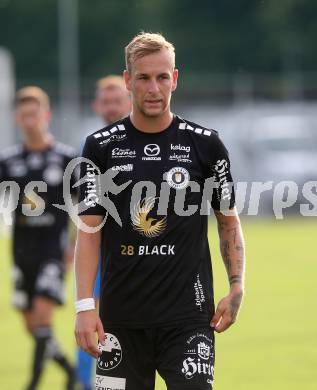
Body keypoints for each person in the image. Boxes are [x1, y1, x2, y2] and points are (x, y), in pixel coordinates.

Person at [75, 32, 245, 390]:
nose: (154, 88)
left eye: (162, 77)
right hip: (120, 322)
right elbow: (88, 232)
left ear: (175, 79)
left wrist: (236, 285)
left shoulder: (206, 145)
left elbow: (228, 221)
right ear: (127, 81)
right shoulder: (100, 147)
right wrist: (84, 306)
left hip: (188, 319)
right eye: (143, 77)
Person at [0, 86, 77, 390]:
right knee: (33, 327)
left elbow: (84, 209)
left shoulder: (66, 158)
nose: (30, 120)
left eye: (35, 114)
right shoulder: (8, 161)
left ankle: (32, 384)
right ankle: (69, 372)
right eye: (24, 115)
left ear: (46, 115)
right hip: (21, 253)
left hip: (52, 252)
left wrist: (73, 247)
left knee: (43, 320)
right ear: (17, 118)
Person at [76, 75, 131, 390]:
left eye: (116, 101)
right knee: (92, 322)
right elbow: (81, 213)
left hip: (142, 258)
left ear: (129, 100)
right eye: (105, 102)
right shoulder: (92, 149)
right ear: (96, 105)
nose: (111, 107)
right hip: (102, 254)